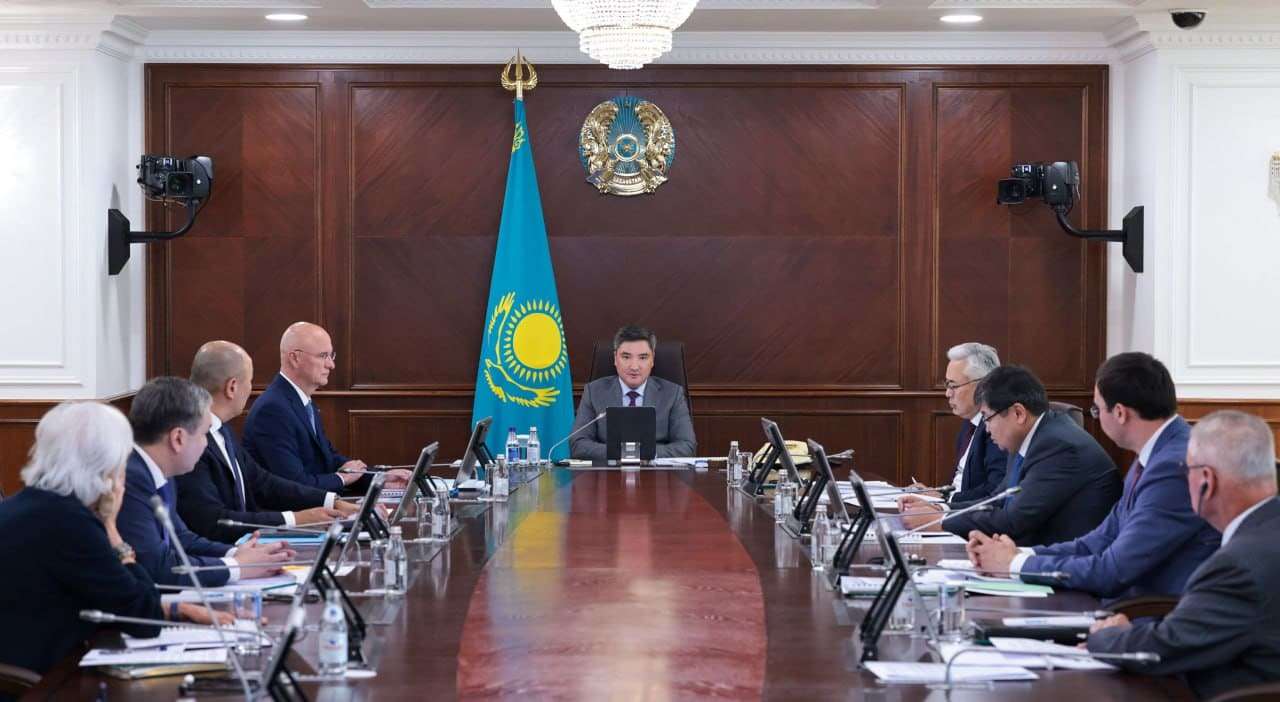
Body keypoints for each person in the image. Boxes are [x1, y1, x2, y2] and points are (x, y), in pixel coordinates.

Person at [967, 353, 1218, 599]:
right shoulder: (1156, 453)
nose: (1096, 418)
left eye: (1097, 410)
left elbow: (1112, 571)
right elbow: (1097, 541)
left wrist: (1014, 565)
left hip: (1148, 612)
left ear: (1119, 413)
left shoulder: (1173, 467)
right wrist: (1018, 555)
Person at [0, 402, 226, 676]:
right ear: (105, 466)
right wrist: (111, 528)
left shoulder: (25, 506)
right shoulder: (71, 523)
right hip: (44, 683)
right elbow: (144, 618)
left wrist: (175, 608)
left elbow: (115, 600)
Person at [1088, 410, 1280, 699]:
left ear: (1206, 480)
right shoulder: (1265, 533)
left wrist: (1107, 635)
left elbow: (1163, 649)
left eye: (1185, 469)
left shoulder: (1238, 565)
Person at [899, 365, 1120, 546]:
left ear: (1018, 413)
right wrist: (941, 509)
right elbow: (997, 499)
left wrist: (941, 521)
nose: (986, 429)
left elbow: (1013, 519)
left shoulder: (1059, 447)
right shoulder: (1030, 437)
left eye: (987, 418)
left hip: (1062, 566)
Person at [118, 377, 292, 587]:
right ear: (178, 438)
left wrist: (237, 553)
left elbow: (181, 538)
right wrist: (237, 566)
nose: (205, 444)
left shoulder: (161, 469)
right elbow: (158, 568)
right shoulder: (128, 480)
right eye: (204, 434)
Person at [179, 341, 358, 543]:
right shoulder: (191, 442)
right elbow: (212, 521)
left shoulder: (222, 429)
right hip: (223, 551)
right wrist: (294, 519)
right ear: (232, 387)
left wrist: (330, 501)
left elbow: (262, 482)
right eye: (250, 381)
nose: (251, 389)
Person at [243, 322, 409, 492]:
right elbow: (294, 484)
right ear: (295, 358)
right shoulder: (272, 409)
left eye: (331, 356)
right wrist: (342, 478)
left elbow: (328, 460)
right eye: (323, 356)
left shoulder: (301, 401)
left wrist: (379, 478)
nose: (331, 365)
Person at [570, 325, 696, 461]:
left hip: (656, 471)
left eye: (643, 357)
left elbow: (687, 446)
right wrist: (622, 453)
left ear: (652, 359)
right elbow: (578, 445)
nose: (634, 367)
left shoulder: (672, 394)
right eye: (626, 357)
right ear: (615, 358)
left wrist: (646, 453)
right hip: (609, 471)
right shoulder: (594, 392)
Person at [929, 342, 1008, 503]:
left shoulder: (998, 426)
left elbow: (995, 491)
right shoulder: (970, 422)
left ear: (982, 386)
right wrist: (930, 494)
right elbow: (960, 483)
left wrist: (945, 499)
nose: (947, 393)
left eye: (953, 385)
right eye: (947, 384)